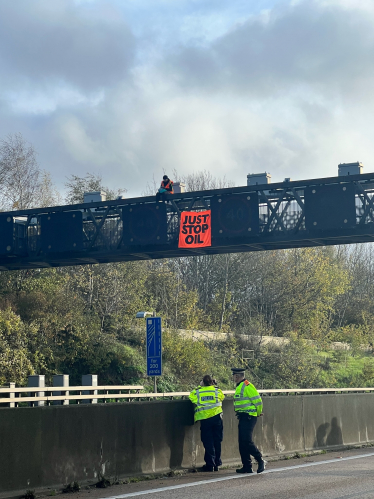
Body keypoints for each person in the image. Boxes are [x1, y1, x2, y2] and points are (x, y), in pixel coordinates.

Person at [231, 367, 266, 474]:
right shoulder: (240, 386)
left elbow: (258, 401)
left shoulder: (247, 386)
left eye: (233, 376)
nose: (232, 378)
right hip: (243, 417)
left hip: (249, 417)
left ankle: (260, 460)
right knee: (242, 442)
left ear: (237, 376)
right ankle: (247, 466)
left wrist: (258, 412)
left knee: (246, 441)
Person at [189, 375, 225, 472]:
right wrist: (214, 386)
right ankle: (217, 463)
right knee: (217, 441)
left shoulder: (198, 392)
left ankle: (210, 464)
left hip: (205, 420)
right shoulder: (217, 390)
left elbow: (191, 396)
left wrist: (199, 386)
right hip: (217, 418)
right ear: (212, 382)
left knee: (208, 442)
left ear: (203, 382)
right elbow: (222, 397)